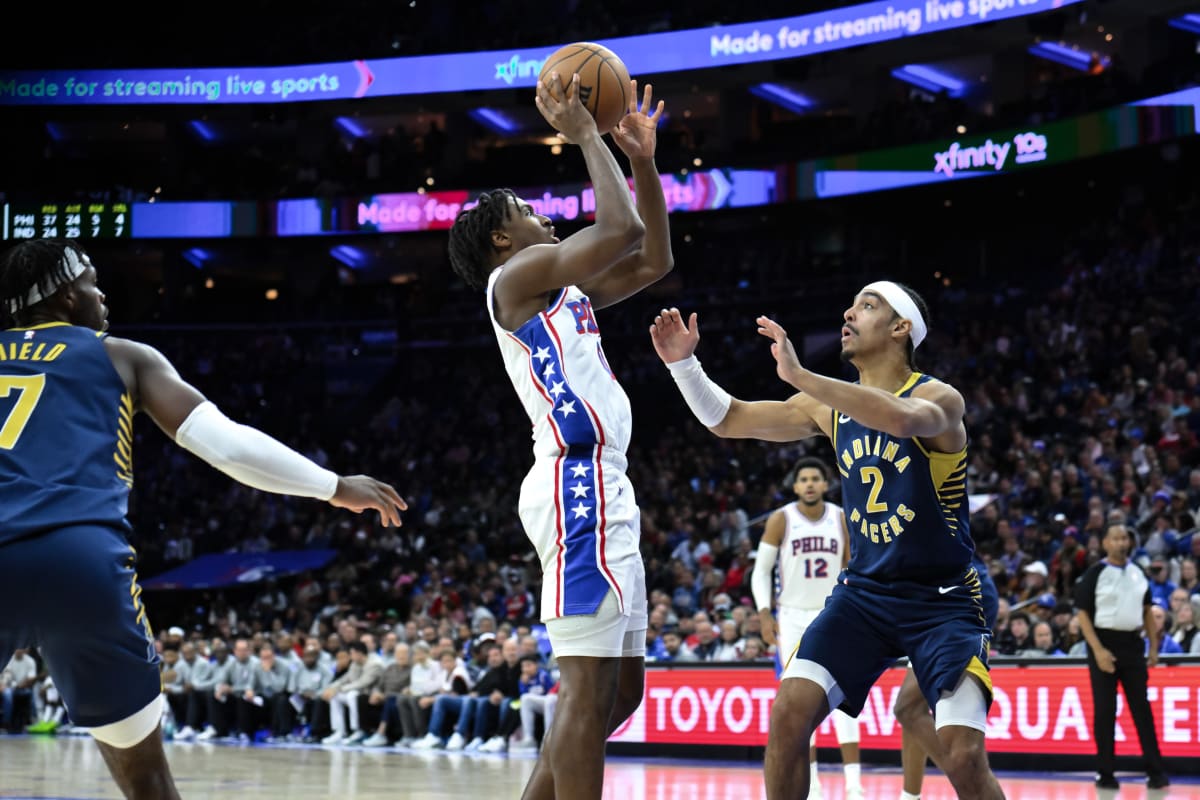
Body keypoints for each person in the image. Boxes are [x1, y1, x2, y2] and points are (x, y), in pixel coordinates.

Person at [0, 239, 407, 800]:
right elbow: (227, 446)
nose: (103, 296)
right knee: (147, 779)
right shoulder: (121, 356)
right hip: (80, 559)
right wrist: (333, 486)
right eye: (93, 283)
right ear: (68, 296)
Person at [650, 282, 1004, 800]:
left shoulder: (938, 398)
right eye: (852, 304)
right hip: (865, 596)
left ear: (901, 327)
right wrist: (684, 365)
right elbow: (729, 420)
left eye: (867, 305)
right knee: (787, 716)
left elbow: (901, 419)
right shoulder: (827, 408)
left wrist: (801, 376)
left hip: (943, 601)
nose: (848, 312)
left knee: (965, 758)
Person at [448, 73, 672, 800]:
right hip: (576, 483)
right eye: (526, 211)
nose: (543, 214)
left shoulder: (562, 288)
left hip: (604, 482)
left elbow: (653, 259)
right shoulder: (513, 280)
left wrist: (641, 162)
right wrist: (584, 136)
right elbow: (621, 231)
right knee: (584, 691)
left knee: (620, 694)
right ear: (504, 239)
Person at [752, 457, 863, 800]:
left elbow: (854, 567)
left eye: (816, 478)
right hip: (793, 617)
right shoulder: (782, 519)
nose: (810, 484)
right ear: (795, 485)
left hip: (833, 614)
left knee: (845, 697)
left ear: (826, 484)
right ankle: (812, 784)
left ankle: (854, 785)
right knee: (799, 701)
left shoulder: (841, 517)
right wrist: (764, 613)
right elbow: (761, 571)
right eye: (804, 479)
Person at [892, 554, 1000, 800]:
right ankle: (910, 796)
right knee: (913, 710)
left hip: (957, 597)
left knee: (908, 709)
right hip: (931, 602)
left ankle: (973, 783)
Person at [1075, 523, 1170, 790]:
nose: (1121, 543)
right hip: (1103, 642)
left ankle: (1156, 772)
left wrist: (1153, 647)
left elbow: (1147, 611)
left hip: (1132, 644)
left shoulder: (1138, 572)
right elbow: (1082, 614)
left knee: (1142, 710)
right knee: (1105, 711)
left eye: (1124, 538)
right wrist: (1098, 650)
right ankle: (1105, 773)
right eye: (1115, 538)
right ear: (1105, 543)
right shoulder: (1095, 573)